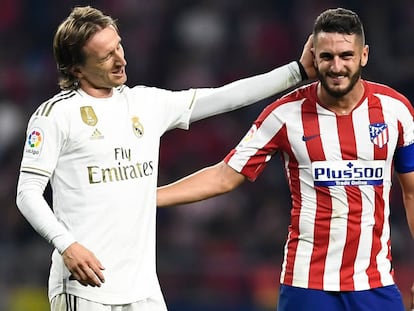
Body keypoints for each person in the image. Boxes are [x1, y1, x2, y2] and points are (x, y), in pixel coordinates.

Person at [15, 5, 316, 311]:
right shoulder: (56, 115)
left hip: (144, 291)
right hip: (86, 290)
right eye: (106, 56)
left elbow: (224, 96)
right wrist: (66, 245)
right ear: (77, 68)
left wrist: (297, 71)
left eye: (119, 46)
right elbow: (27, 193)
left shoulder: (146, 103)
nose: (121, 60)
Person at [157, 7, 414, 311]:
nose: (336, 66)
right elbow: (223, 176)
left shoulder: (396, 110)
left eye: (346, 55)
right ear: (312, 55)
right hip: (307, 285)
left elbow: (411, 192)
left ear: (364, 55)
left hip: (374, 283)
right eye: (327, 56)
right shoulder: (284, 114)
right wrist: (145, 197)